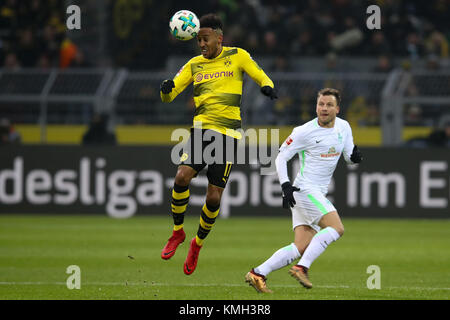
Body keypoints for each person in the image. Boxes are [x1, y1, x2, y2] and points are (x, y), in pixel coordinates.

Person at [159, 13, 277, 275]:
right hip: (202, 131)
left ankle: (197, 244)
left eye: (206, 38)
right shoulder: (193, 64)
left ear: (219, 38)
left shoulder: (238, 55)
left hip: (228, 134)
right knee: (181, 176)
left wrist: (267, 86)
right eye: (198, 40)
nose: (201, 44)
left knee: (213, 196)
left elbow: (259, 75)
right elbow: (170, 95)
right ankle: (177, 232)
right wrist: (166, 90)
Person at [245, 88, 362, 292]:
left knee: (300, 247)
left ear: (337, 109)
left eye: (328, 105)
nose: (324, 108)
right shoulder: (304, 131)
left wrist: (355, 159)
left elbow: (349, 158)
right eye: (321, 104)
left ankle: (258, 273)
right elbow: (281, 157)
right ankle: (302, 268)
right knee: (337, 228)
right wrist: (285, 186)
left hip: (315, 192)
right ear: (316, 107)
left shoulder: (344, 127)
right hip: (305, 190)